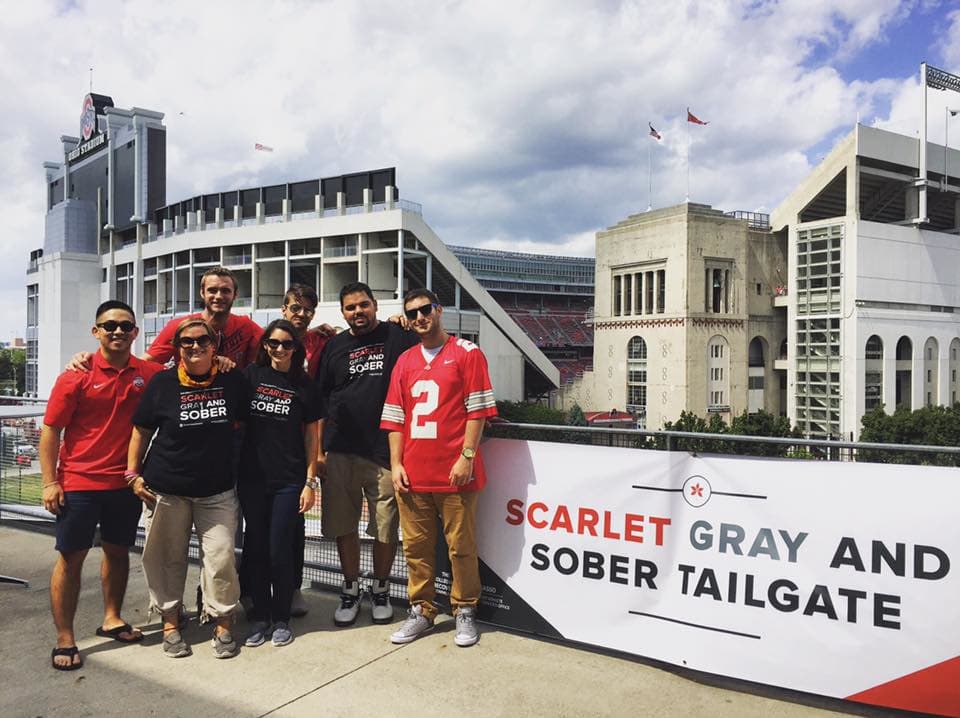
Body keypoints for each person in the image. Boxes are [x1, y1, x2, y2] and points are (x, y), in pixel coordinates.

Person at [40, 300, 163, 670]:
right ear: (96, 332)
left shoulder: (149, 373)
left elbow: (191, 370)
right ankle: (65, 638)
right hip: (78, 481)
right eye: (109, 326)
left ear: (136, 333)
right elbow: (51, 430)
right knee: (71, 557)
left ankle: (112, 618)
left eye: (126, 326)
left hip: (124, 482)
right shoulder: (75, 375)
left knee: (117, 551)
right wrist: (49, 483)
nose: (118, 332)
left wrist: (220, 362)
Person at [126, 318, 250, 659]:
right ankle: (170, 621)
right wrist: (132, 474)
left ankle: (222, 620)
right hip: (166, 488)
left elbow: (250, 423)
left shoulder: (231, 380)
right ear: (177, 348)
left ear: (214, 346)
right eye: (187, 342)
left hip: (218, 491)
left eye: (202, 341)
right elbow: (141, 430)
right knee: (166, 558)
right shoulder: (163, 383)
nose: (195, 347)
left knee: (222, 557)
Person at [380, 288, 497, 647]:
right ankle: (422, 610)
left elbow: (477, 411)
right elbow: (396, 417)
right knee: (415, 548)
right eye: (412, 313)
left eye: (425, 309)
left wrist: (466, 456)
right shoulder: (405, 361)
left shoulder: (467, 353)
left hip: (454, 472)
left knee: (460, 546)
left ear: (438, 309)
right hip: (413, 474)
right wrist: (396, 464)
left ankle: (464, 609)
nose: (419, 318)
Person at [315, 281, 419, 627]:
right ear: (343, 312)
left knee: (385, 528)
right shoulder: (334, 347)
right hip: (340, 450)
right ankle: (350, 588)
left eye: (363, 305)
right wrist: (319, 451)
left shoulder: (398, 337)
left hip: (384, 450)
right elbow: (320, 401)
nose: (357, 312)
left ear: (374, 305)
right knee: (344, 526)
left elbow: (427, 360)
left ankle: (382, 588)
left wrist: (404, 321)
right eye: (350, 307)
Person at [238, 319, 320, 647]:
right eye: (274, 343)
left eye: (288, 344)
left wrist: (310, 482)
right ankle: (261, 617)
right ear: (265, 346)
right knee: (255, 549)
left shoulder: (305, 384)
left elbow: (313, 435)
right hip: (252, 478)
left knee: (279, 550)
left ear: (296, 349)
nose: (280, 349)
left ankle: (282, 617)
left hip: (290, 479)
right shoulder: (249, 377)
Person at [278, 284, 326, 618]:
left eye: (308, 309)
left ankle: (293, 588)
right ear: (284, 309)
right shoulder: (267, 337)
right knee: (257, 524)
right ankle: (253, 590)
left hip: (301, 444)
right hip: (266, 442)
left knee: (295, 526)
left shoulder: (320, 340)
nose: (301, 314)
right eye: (295, 307)